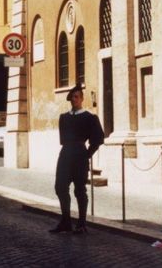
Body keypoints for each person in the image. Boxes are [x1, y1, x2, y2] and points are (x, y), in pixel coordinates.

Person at [50, 84, 104, 234]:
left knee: (80, 190)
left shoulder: (90, 118)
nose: (74, 100)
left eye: (76, 97)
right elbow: (63, 139)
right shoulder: (64, 118)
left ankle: (81, 224)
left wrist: (87, 154)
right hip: (65, 154)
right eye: (72, 97)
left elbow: (98, 139)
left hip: (80, 155)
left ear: (81, 99)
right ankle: (66, 221)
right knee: (60, 187)